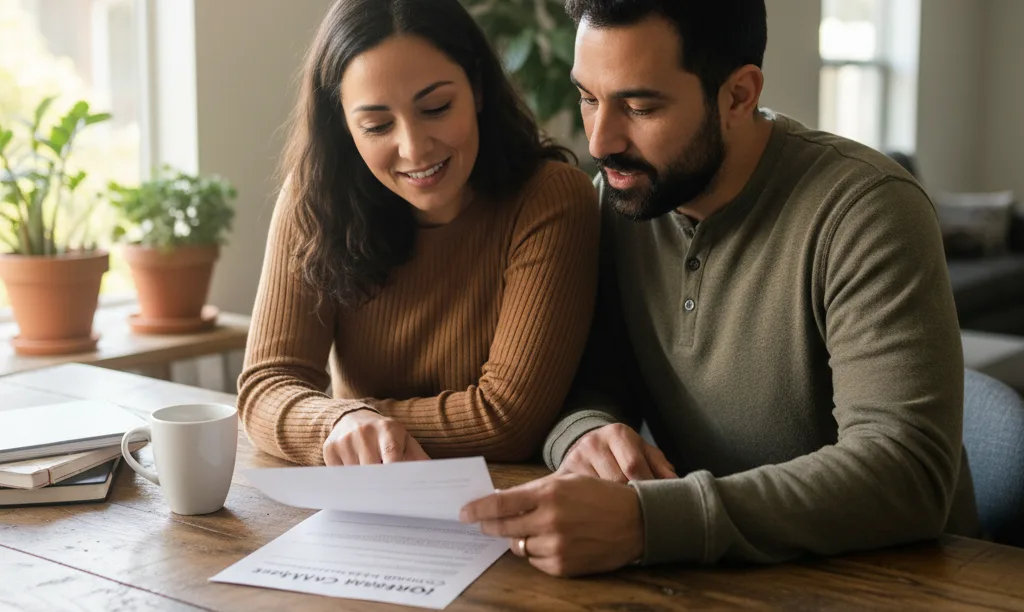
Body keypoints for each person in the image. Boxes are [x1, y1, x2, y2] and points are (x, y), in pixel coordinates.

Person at [460, 0, 979, 578]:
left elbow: (907, 471)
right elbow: (587, 383)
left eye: (639, 106)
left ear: (738, 95)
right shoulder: (618, 201)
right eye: (588, 98)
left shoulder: (867, 211)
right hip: (711, 575)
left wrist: (648, 522)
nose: (601, 141)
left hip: (899, 579)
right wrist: (587, 435)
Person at [238, 0, 599, 467]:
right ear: (343, 126)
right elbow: (264, 388)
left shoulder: (550, 199)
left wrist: (357, 423)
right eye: (377, 125)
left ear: (477, 89)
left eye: (436, 108)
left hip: (507, 494)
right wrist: (338, 423)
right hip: (366, 493)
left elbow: (506, 420)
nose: (413, 148)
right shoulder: (317, 198)